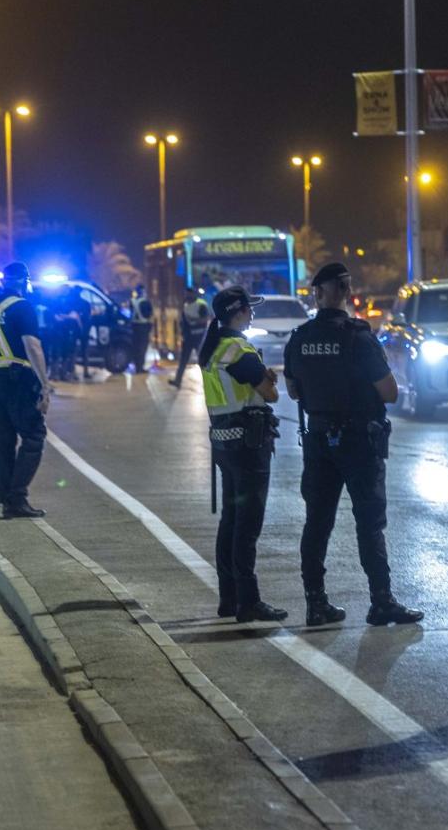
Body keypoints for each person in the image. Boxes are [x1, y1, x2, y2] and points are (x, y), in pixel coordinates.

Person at [284, 262, 423, 628]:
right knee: (369, 523)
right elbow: (390, 392)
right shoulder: (358, 337)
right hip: (359, 442)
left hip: (318, 440)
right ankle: (381, 601)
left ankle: (316, 603)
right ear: (347, 292)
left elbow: (293, 389)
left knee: (317, 522)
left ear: (317, 293)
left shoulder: (299, 338)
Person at [199, 285, 288, 623]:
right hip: (249, 445)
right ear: (237, 312)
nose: (252, 314)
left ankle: (230, 598)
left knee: (231, 521)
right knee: (247, 526)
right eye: (249, 309)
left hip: (223, 442)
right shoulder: (238, 348)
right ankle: (248, 601)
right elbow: (270, 394)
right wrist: (268, 379)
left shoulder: (212, 348)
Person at [0, 262, 51, 519]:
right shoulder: (23, 307)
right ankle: (17, 497)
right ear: (23, 281)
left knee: (3, 441)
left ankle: (5, 497)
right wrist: (45, 384)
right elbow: (32, 345)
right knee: (34, 435)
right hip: (16, 378)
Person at [170, 286, 210, 387]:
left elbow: (205, 319)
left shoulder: (201, 304)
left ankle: (210, 382)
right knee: (183, 360)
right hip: (188, 337)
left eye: (189, 294)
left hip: (199, 337)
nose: (187, 296)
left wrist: (194, 321)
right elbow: (183, 321)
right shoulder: (185, 304)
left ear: (194, 294)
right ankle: (177, 381)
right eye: (186, 294)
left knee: (203, 360)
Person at [130, 283, 153, 372]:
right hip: (143, 327)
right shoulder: (145, 302)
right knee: (142, 348)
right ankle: (140, 366)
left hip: (134, 327)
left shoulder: (132, 301)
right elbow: (149, 314)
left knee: (136, 347)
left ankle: (137, 366)